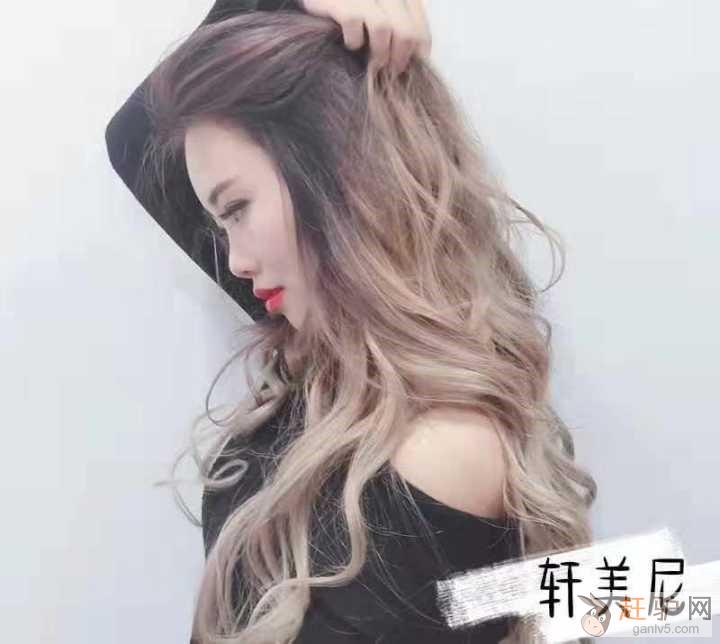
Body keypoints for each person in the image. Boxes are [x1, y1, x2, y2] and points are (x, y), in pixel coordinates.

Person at [104, 1, 598, 642]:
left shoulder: (433, 456)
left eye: (238, 208)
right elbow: (136, 138)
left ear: (338, 171)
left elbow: (603, 603)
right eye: (221, 224)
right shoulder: (323, 346)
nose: (236, 260)